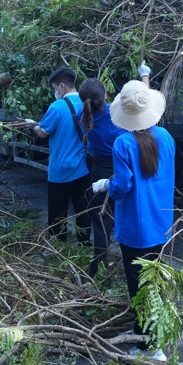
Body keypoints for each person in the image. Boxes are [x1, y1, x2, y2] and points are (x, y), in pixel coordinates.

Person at [92, 80, 176, 363]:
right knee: (155, 281)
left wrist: (107, 185)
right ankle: (147, 330)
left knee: (139, 285)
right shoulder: (166, 136)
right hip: (161, 221)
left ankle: (151, 346)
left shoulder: (123, 143)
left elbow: (123, 185)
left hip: (135, 226)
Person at [32, 67, 91, 244]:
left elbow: (42, 133)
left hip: (59, 171)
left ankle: (59, 247)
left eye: (54, 88)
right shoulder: (87, 103)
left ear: (62, 87)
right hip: (82, 169)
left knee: (58, 214)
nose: (55, 92)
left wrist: (32, 125)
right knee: (83, 210)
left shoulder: (57, 107)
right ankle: (84, 244)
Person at [78, 76, 128, 281]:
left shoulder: (83, 115)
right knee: (125, 217)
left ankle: (99, 270)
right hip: (121, 167)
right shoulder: (115, 112)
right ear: (105, 96)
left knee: (100, 222)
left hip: (98, 171)